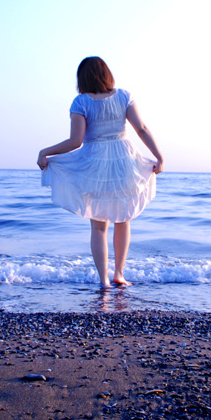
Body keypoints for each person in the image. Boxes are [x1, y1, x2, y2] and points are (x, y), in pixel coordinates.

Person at [38, 57, 164, 288]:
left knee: (98, 226)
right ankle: (119, 273)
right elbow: (142, 129)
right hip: (124, 160)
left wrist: (46, 152)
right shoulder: (124, 96)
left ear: (82, 78)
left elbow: (75, 141)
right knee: (123, 220)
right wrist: (159, 156)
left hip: (94, 163)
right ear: (107, 74)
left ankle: (103, 280)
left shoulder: (81, 102)